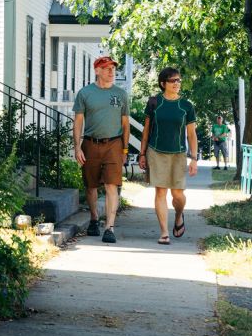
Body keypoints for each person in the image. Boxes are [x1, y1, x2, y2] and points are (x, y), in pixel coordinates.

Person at [73, 55, 130, 243]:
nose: (111, 71)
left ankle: (110, 227)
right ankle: (94, 218)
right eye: (106, 68)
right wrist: (77, 147)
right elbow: (78, 121)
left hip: (114, 144)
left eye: (113, 68)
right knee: (90, 186)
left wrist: (125, 150)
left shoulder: (121, 94)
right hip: (90, 144)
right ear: (97, 71)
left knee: (112, 185)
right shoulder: (85, 93)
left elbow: (125, 124)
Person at [138, 67, 198, 245]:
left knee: (178, 194)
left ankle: (179, 216)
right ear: (163, 83)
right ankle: (164, 232)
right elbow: (146, 131)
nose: (177, 83)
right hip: (156, 152)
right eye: (173, 81)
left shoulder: (186, 105)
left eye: (179, 80)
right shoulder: (154, 102)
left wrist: (193, 158)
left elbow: (192, 135)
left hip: (178, 154)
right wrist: (142, 154)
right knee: (160, 191)